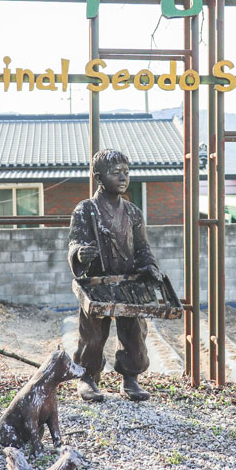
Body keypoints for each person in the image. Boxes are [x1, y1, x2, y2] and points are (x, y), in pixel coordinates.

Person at [68, 149, 162, 403]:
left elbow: (142, 247)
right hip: (96, 283)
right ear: (99, 178)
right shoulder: (85, 210)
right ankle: (87, 376)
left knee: (134, 333)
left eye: (126, 172)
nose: (123, 178)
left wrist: (149, 267)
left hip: (128, 283)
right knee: (92, 335)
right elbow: (75, 242)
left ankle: (131, 377)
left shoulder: (132, 212)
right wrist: (80, 254)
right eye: (115, 173)